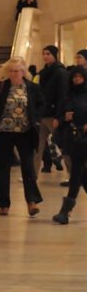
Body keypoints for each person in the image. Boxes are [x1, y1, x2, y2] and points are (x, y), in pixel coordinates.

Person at [0, 57, 44, 216]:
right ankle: (4, 204)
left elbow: (40, 105)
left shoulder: (32, 87)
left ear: (23, 72)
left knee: (28, 168)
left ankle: (31, 202)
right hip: (3, 133)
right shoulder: (1, 87)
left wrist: (34, 117)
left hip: (25, 133)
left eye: (17, 71)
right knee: (3, 169)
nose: (14, 74)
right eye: (11, 71)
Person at [53, 67, 87, 224]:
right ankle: (65, 211)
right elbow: (58, 119)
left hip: (85, 138)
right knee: (80, 173)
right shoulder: (67, 96)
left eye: (80, 77)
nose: (77, 80)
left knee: (77, 173)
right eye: (75, 77)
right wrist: (64, 118)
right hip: (73, 140)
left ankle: (65, 211)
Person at [34, 45, 69, 176]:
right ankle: (32, 174)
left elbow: (63, 95)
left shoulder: (60, 72)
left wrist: (59, 117)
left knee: (63, 146)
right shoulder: (43, 73)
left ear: (54, 55)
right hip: (43, 114)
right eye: (44, 54)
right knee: (37, 145)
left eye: (48, 54)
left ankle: (73, 176)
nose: (45, 56)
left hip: (54, 115)